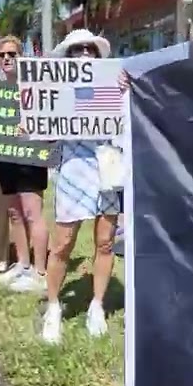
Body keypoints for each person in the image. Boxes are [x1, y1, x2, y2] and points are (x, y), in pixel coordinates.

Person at [39, 28, 123, 344]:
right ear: (68, 56)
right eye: (78, 49)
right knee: (63, 244)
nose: (85, 53)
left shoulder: (116, 85)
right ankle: (53, 307)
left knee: (104, 242)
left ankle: (97, 306)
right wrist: (30, 127)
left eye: (90, 48)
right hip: (73, 169)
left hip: (107, 167)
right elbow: (45, 133)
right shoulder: (57, 92)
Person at [0, 34, 49, 293]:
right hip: (4, 156)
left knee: (32, 213)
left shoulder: (35, 88)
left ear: (21, 57)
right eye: (2, 55)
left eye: (12, 54)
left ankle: (41, 271)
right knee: (14, 213)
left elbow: (51, 122)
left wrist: (31, 127)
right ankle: (23, 264)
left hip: (30, 157)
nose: (7, 59)